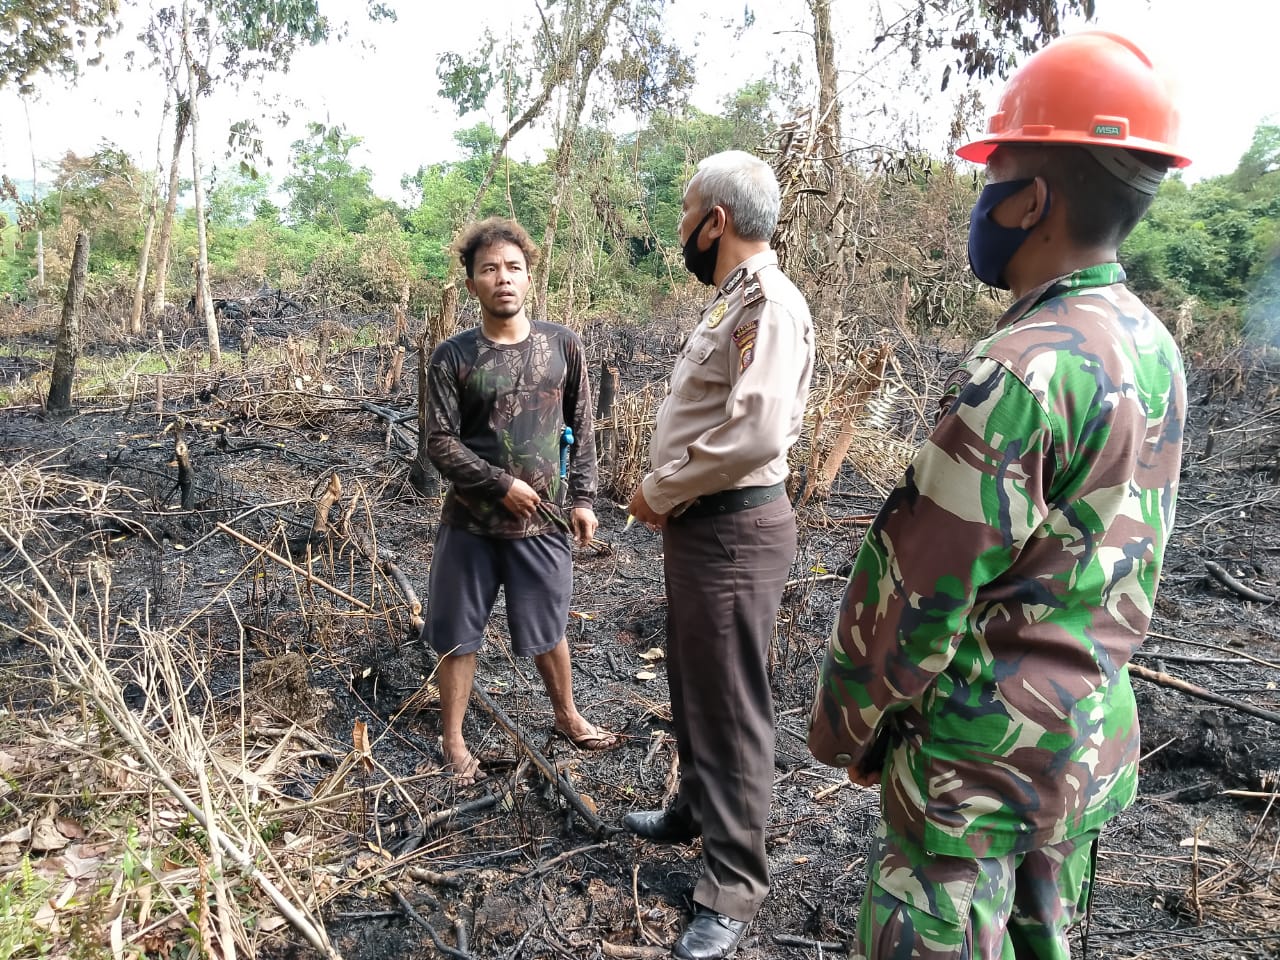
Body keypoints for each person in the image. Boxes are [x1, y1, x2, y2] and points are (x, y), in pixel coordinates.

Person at [806, 31, 1189, 959]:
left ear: (1033, 199)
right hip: (1077, 752)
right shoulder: (1151, 347)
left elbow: (914, 596)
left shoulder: (1020, 372)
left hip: (972, 773)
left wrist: (845, 729)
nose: (984, 196)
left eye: (995, 172)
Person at [624, 150, 815, 960]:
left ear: (716, 221)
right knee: (694, 678)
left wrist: (661, 489)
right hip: (706, 529)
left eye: (684, 212)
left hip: (734, 529)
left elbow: (757, 432)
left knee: (733, 707)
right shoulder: (735, 299)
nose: (679, 229)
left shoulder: (770, 304)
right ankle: (694, 809)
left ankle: (732, 889)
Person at [424, 216, 616, 786]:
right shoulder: (453, 357)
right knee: (458, 633)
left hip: (544, 523)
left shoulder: (562, 345)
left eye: (513, 267)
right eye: (489, 269)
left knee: (548, 628)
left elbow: (581, 425)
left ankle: (567, 716)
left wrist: (583, 499)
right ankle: (453, 739)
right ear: (471, 284)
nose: (502, 278)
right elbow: (439, 442)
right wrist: (499, 485)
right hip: (471, 523)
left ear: (529, 277)